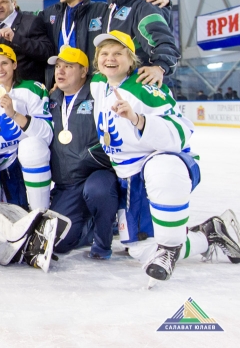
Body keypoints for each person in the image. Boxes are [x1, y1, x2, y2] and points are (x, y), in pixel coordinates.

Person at [91, 30, 240, 284]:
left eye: (118, 53)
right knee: (141, 250)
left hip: (162, 169)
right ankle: (209, 235)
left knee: (163, 166)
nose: (110, 58)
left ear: (131, 60)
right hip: (129, 179)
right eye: (104, 53)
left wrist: (138, 120)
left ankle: (170, 247)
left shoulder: (146, 88)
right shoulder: (100, 85)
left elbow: (181, 131)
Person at [41, 0, 169, 89]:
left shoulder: (102, 10)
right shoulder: (51, 13)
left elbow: (126, 2)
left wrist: (164, 2)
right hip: (61, 85)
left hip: (93, 83)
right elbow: (25, 21)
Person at [45, 47, 118, 259]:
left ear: (84, 71)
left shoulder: (97, 95)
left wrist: (87, 158)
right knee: (58, 243)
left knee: (98, 191)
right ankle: (89, 226)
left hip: (95, 174)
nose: (60, 71)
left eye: (68, 66)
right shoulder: (52, 99)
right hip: (67, 183)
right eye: (58, 66)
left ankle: (103, 242)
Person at [0, 44, 53, 212]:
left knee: (30, 147)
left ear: (14, 64)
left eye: (4, 63)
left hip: (27, 162)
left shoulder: (33, 88)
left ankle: (40, 214)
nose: (0, 69)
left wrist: (14, 114)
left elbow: (46, 134)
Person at [0, 0, 54, 85]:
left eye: (3, 2)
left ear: (14, 3)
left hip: (28, 89)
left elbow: (47, 51)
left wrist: (16, 39)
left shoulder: (31, 21)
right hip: (1, 88)